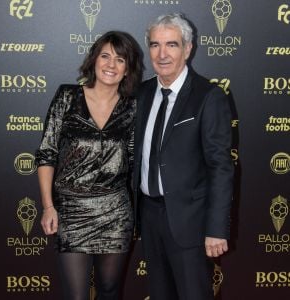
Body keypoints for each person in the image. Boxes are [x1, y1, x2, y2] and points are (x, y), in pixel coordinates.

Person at [35, 31, 143, 300]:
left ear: (128, 68)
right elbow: (47, 153)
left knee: (109, 291)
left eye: (120, 60)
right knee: (76, 296)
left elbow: (136, 159)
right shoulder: (67, 97)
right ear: (93, 59)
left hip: (115, 211)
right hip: (71, 211)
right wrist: (48, 206)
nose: (111, 65)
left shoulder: (133, 107)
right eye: (105, 56)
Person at [133, 13, 234, 300]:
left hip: (191, 222)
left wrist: (216, 228)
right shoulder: (142, 93)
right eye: (155, 45)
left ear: (188, 49)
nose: (162, 54)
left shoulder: (208, 96)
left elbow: (220, 167)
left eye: (172, 45)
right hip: (149, 217)